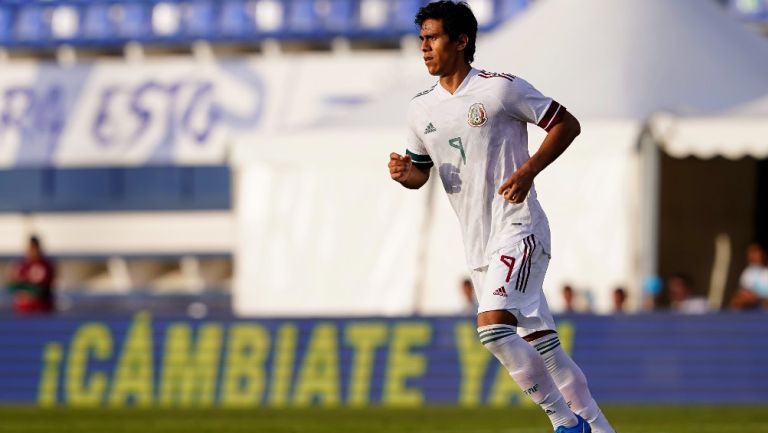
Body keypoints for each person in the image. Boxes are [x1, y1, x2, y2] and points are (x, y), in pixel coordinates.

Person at [388, 2, 614, 432]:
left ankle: (565, 423)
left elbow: (566, 123)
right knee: (545, 347)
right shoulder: (421, 109)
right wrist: (406, 174)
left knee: (492, 329)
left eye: (432, 38)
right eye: (421, 39)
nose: (424, 48)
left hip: (519, 228)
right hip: (478, 245)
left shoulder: (500, 89)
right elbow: (421, 174)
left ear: (461, 41)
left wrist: (528, 170)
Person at [7, 235, 56, 314]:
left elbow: (41, 290)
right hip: (22, 312)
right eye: (30, 248)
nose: (31, 251)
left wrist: (23, 287)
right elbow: (11, 286)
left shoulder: (45, 265)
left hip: (41, 312)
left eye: (34, 248)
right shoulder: (21, 265)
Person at [729, 243, 768, 310]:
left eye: (755, 253)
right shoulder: (748, 272)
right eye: (751, 253)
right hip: (754, 299)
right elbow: (744, 291)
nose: (752, 256)